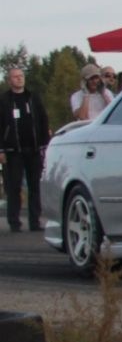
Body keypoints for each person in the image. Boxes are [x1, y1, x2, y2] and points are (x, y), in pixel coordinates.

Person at [0, 67, 50, 232]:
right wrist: (1, 150)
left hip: (34, 149)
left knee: (35, 186)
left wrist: (45, 143)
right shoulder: (4, 100)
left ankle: (35, 221)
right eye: (15, 77)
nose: (19, 79)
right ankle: (14, 222)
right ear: (10, 80)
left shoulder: (33, 97)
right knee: (14, 187)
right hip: (13, 150)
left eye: (21, 76)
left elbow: (43, 119)